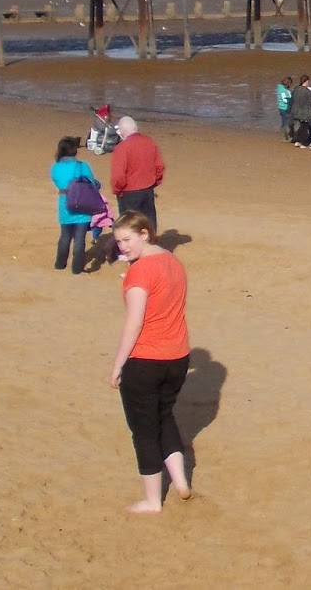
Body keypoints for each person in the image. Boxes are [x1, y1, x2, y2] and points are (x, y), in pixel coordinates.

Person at [108, 211, 193, 513]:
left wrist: (118, 364)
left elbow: (135, 322)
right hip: (178, 358)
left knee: (143, 431)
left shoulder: (140, 272)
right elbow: (162, 295)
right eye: (119, 242)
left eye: (128, 240)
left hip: (146, 360)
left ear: (145, 234)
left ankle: (153, 501)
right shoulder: (173, 262)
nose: (123, 247)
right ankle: (181, 483)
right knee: (164, 416)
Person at [51, 135, 97, 274]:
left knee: (65, 235)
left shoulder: (55, 167)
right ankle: (76, 268)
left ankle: (60, 264)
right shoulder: (83, 166)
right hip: (82, 203)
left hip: (65, 202)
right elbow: (92, 183)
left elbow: (56, 181)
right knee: (79, 238)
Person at [112, 117, 166, 233]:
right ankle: (151, 246)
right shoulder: (150, 142)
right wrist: (154, 182)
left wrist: (117, 190)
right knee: (148, 223)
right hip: (147, 189)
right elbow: (159, 167)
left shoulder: (122, 147)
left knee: (129, 225)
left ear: (121, 131)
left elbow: (118, 175)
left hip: (129, 192)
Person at [287, 75, 311, 147]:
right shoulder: (307, 91)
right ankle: (302, 142)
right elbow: (309, 102)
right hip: (304, 112)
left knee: (301, 126)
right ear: (306, 81)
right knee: (304, 127)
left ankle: (297, 140)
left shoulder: (295, 90)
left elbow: (292, 100)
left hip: (295, 111)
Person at [275, 76, 294, 141]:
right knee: (286, 122)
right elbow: (284, 100)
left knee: (285, 122)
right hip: (285, 108)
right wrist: (292, 101)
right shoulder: (283, 90)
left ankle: (286, 136)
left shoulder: (281, 88)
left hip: (282, 107)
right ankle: (286, 137)